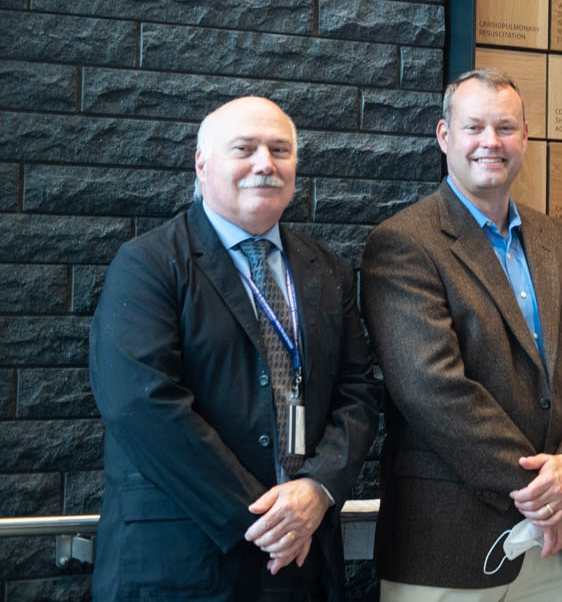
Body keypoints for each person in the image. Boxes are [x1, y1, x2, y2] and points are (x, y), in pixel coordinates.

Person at [89, 96, 381, 601]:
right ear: (202, 164)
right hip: (184, 564)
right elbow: (140, 404)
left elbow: (358, 391)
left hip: (301, 568)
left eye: (280, 150)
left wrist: (317, 489)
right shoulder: (149, 264)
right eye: (244, 148)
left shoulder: (328, 270)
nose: (265, 164)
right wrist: (267, 520)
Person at [360, 69, 562, 601]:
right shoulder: (403, 243)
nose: (490, 143)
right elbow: (432, 389)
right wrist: (543, 492)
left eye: (505, 128)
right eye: (474, 127)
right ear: (444, 136)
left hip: (549, 548)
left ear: (525, 137)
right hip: (446, 549)